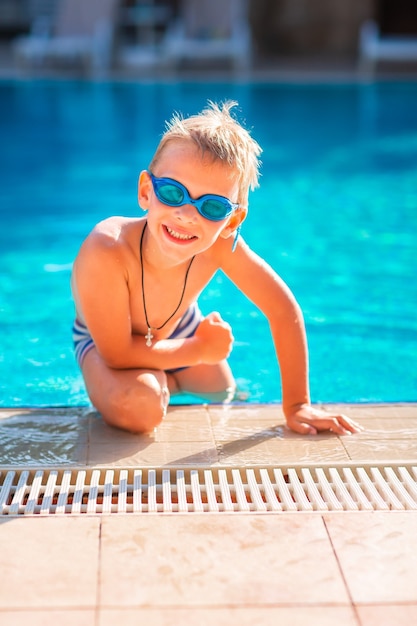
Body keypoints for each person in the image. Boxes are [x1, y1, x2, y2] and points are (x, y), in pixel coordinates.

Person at [71, 100, 362, 436]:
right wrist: (199, 349)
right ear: (146, 191)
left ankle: (167, 380)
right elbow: (119, 353)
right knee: (141, 408)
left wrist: (298, 404)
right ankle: (152, 384)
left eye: (211, 206)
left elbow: (283, 310)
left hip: (178, 328)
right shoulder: (107, 248)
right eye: (172, 192)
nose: (187, 214)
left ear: (232, 220)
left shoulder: (223, 244)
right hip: (107, 344)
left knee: (222, 394)